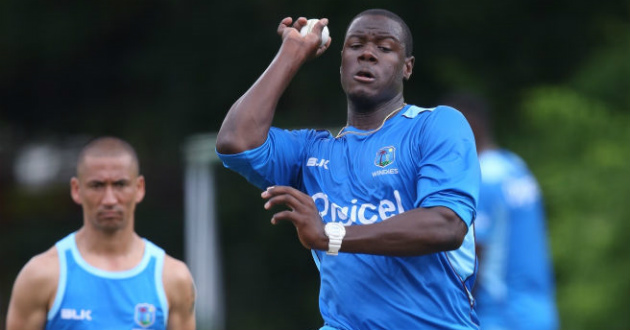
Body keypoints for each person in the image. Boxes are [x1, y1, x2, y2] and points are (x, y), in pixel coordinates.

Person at [216, 9, 481, 330]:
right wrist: (292, 53)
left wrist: (332, 235)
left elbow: (446, 225)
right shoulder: (310, 152)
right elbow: (235, 141)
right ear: (341, 62)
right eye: (356, 46)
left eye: (384, 48)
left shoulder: (436, 125)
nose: (368, 53)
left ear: (407, 67)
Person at [5, 137, 196, 330]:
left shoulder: (172, 278)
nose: (109, 199)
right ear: (76, 190)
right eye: (97, 186)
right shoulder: (41, 275)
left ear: (139, 188)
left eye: (120, 184)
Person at [444, 92, 559, 330]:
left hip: (501, 314)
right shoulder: (515, 166)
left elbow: (474, 258)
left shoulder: (480, 179)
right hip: (538, 311)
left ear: (467, 126)